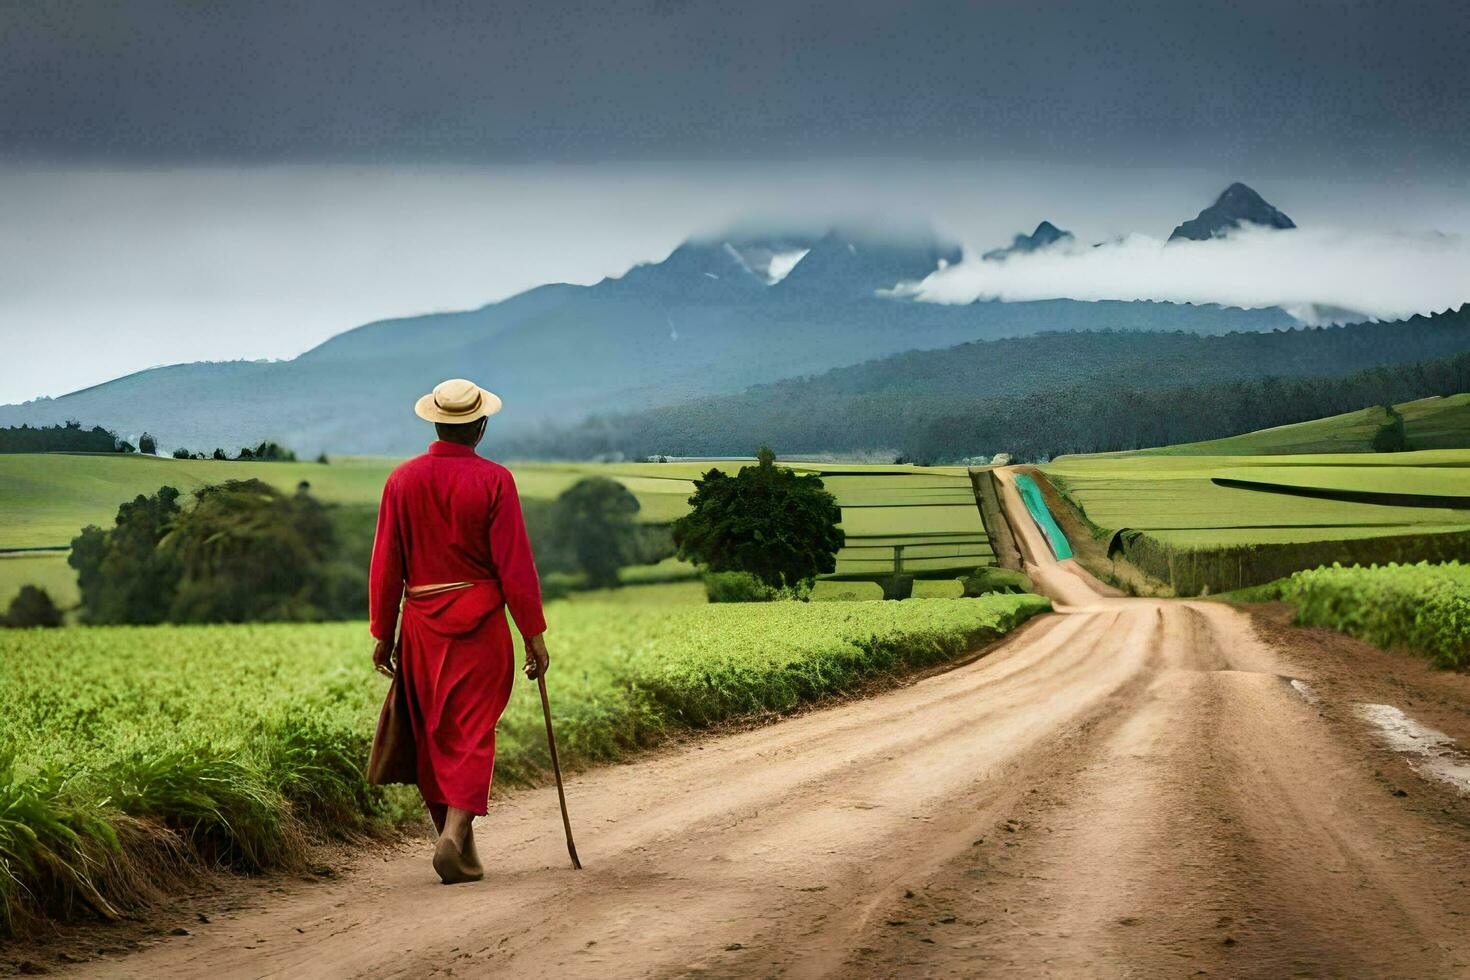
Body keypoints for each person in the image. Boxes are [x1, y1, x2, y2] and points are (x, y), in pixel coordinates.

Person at [368, 378, 551, 884]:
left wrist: (384, 631)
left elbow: (386, 565)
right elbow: (515, 567)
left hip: (423, 629)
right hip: (484, 627)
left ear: (435, 422)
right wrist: (533, 634)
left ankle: (454, 843)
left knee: (435, 733)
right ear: (481, 426)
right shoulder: (496, 481)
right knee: (473, 733)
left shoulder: (401, 481)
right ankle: (455, 839)